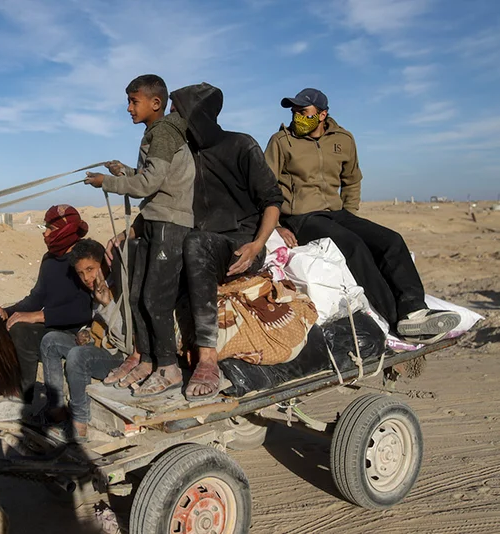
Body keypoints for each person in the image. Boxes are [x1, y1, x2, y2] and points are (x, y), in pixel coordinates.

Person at [264, 88, 459, 343]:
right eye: (294, 112)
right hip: (301, 217)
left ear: (322, 115)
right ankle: (397, 320)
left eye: (303, 112)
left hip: (337, 213)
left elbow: (352, 180)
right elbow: (265, 185)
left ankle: (415, 310)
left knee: (391, 240)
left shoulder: (343, 139)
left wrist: (351, 215)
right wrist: (277, 225)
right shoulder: (281, 141)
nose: (297, 117)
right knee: (353, 246)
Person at [169, 82, 284, 400]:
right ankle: (149, 355)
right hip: (199, 241)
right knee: (148, 247)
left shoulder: (241, 145)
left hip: (239, 247)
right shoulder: (184, 157)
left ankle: (208, 360)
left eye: (177, 113)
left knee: (196, 244)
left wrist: (257, 245)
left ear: (198, 115)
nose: (171, 120)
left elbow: (272, 201)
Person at [84, 74, 195, 396]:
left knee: (155, 299)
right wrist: (124, 172)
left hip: (170, 222)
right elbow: (153, 178)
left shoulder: (163, 133)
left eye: (134, 101)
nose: (129, 108)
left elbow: (148, 186)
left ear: (155, 103)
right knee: (134, 296)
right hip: (154, 220)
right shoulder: (156, 133)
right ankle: (146, 359)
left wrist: (107, 183)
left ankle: (169, 367)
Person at [0, 204, 93, 412]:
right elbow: (35, 297)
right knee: (8, 325)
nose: (45, 234)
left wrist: (38, 316)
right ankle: (13, 391)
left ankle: (23, 398)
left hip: (78, 331)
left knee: (21, 330)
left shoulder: (85, 258)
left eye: (50, 228)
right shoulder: (50, 259)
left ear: (64, 230)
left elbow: (84, 309)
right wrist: (8, 312)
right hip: (52, 323)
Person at [38, 239, 132, 441]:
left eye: (90, 269)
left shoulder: (121, 288)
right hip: (98, 347)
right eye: (81, 273)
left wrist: (107, 304)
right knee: (51, 341)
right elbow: (97, 325)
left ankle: (79, 423)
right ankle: (56, 409)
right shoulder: (95, 288)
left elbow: (126, 341)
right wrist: (85, 332)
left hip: (120, 358)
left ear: (103, 264)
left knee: (78, 355)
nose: (86, 277)